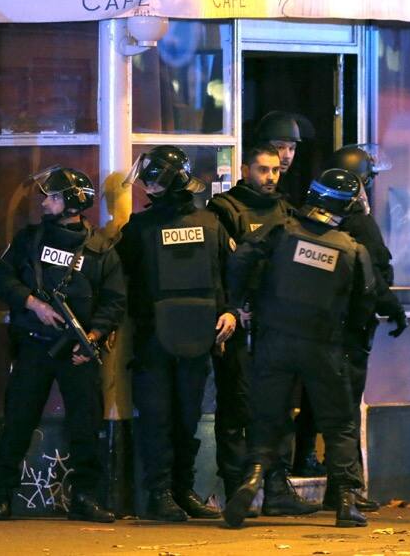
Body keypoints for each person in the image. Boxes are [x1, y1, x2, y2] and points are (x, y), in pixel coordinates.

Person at [223, 168, 377, 528]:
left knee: (267, 417)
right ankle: (346, 501)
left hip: (274, 340)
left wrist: (241, 300)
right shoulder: (352, 249)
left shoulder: (280, 231)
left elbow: (240, 259)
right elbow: (365, 303)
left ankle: (252, 480)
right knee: (339, 424)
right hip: (323, 346)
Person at [0, 166, 126, 523]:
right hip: (34, 345)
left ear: (71, 203)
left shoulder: (100, 249)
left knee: (85, 425)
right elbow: (1, 278)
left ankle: (85, 497)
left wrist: (93, 337)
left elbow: (114, 301)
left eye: (52, 197)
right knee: (18, 420)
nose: (44, 202)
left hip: (78, 351)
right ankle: (2, 494)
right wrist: (33, 304)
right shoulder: (29, 239)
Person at [117, 145, 237, 521]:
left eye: (153, 181)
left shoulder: (210, 224)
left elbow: (226, 274)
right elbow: (118, 281)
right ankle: (160, 493)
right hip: (155, 337)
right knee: (158, 417)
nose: (147, 187)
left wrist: (230, 310)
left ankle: (181, 489)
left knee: (187, 417)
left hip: (196, 335)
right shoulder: (140, 228)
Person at [206, 143, 317, 517]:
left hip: (275, 324)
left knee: (279, 406)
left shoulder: (286, 210)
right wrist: (231, 307)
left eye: (275, 170)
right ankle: (238, 490)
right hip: (236, 325)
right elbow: (218, 266)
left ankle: (277, 488)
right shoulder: (225, 209)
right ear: (244, 170)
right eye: (263, 169)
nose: (271, 177)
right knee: (236, 407)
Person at [321, 145, 409, 513]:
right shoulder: (359, 225)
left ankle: (332, 482)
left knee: (324, 404)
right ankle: (346, 488)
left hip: (319, 329)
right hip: (352, 329)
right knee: (345, 409)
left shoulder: (313, 222)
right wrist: (394, 309)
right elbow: (375, 277)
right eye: (367, 182)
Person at [255, 110, 326, 478]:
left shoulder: (289, 202)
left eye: (291, 149)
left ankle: (291, 465)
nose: (285, 156)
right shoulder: (240, 205)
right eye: (279, 147)